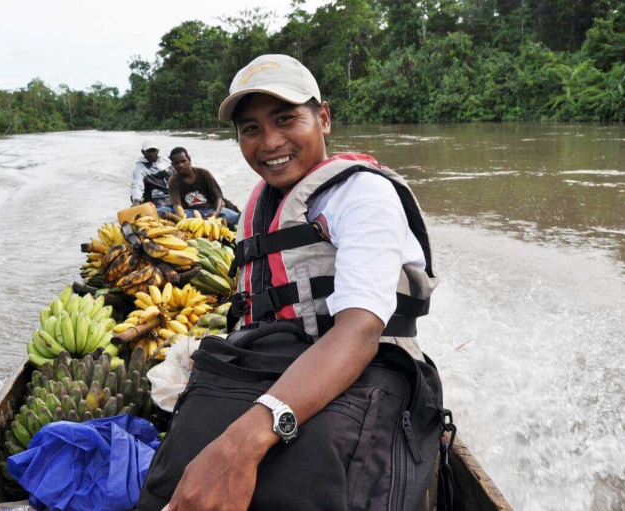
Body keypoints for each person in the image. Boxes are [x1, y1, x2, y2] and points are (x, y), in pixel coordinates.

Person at [148, 55, 441, 511]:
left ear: (323, 117)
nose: (270, 142)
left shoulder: (364, 194)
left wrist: (240, 444)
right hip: (274, 363)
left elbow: (361, 329)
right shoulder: (257, 208)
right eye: (251, 129)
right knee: (179, 465)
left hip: (366, 368)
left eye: (286, 119)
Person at [167, 147, 240, 226]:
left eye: (183, 161)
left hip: (210, 209)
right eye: (176, 163)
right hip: (189, 212)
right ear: (172, 165)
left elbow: (218, 197)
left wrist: (216, 213)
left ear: (189, 160)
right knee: (161, 211)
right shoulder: (173, 181)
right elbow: (176, 205)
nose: (181, 165)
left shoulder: (204, 174)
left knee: (236, 217)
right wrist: (182, 219)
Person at [130, 140, 173, 213]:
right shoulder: (139, 168)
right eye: (149, 151)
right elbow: (136, 185)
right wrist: (136, 200)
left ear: (158, 151)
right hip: (156, 198)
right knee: (163, 211)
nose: (152, 154)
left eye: (154, 151)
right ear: (143, 152)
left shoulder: (166, 160)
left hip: (173, 193)